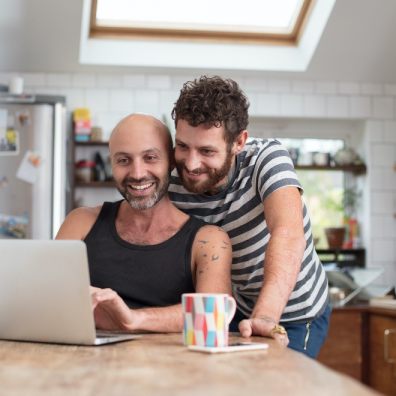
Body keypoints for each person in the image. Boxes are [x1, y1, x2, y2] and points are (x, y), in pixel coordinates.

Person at [168, 76, 330, 358]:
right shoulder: (173, 178)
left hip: (297, 310)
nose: (191, 164)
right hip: (238, 305)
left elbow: (288, 234)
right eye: (183, 146)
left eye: (207, 151)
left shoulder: (267, 159)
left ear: (239, 141)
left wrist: (266, 317)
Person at [56, 113, 232, 333]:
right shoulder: (80, 223)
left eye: (150, 157)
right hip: (87, 364)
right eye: (123, 160)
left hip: (175, 365)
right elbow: (48, 298)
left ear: (171, 162)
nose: (137, 174)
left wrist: (133, 319)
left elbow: (214, 317)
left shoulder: (209, 241)